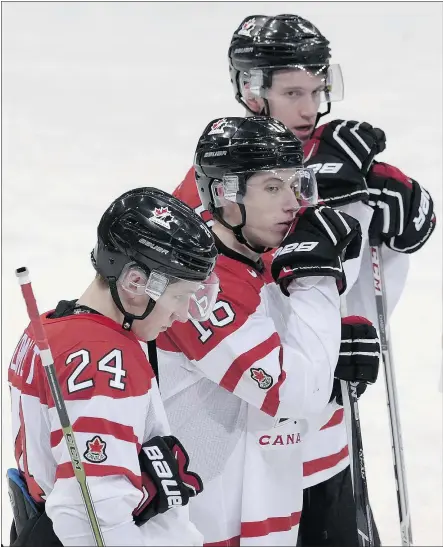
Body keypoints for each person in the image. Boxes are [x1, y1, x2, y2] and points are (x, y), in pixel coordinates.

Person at [172, 14, 436, 546]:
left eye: (318, 89)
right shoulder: (219, 180)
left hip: (327, 435)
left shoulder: (343, 163)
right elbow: (230, 277)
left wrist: (401, 212)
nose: (310, 108)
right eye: (293, 91)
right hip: (256, 438)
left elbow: (382, 250)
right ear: (251, 90)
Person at [156, 116, 381, 545]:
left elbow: (293, 367)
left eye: (297, 184)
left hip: (265, 502)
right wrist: (316, 281)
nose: (293, 203)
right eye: (272, 188)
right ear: (224, 195)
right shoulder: (199, 285)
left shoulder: (264, 256)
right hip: (207, 523)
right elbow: (297, 394)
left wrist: (331, 348)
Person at [7, 187, 220, 546]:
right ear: (135, 282)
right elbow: (88, 515)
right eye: (180, 296)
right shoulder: (105, 361)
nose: (183, 315)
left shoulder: (54, 328)